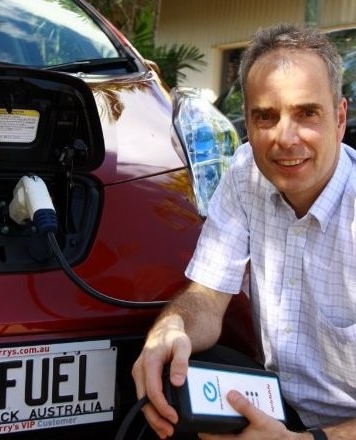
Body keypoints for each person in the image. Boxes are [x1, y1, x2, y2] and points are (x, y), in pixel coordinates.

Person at [132, 23, 356, 439]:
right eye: (265, 117)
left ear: (340, 118)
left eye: (307, 113)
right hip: (278, 404)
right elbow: (207, 297)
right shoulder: (245, 175)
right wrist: (172, 328)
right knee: (169, 382)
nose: (285, 139)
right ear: (248, 123)